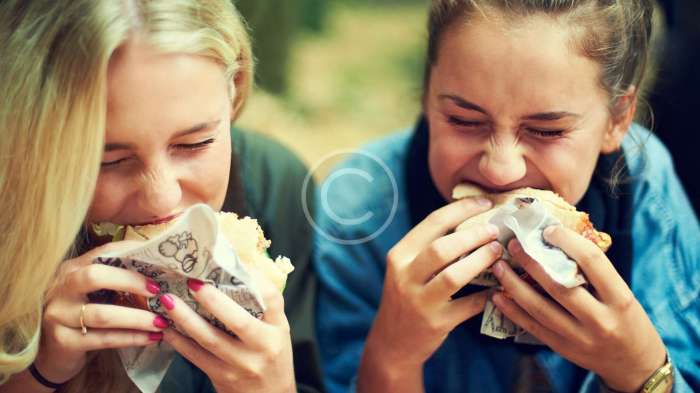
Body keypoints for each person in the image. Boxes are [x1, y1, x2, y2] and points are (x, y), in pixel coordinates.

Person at [314, 1, 700, 392]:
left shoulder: (645, 186)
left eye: (547, 131)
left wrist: (643, 373)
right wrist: (392, 357)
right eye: (464, 121)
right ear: (427, 96)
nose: (501, 169)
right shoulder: (362, 206)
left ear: (617, 120)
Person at [0, 1, 323, 392]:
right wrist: (35, 375)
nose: (161, 198)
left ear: (234, 92)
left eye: (195, 143)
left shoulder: (272, 186)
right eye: (109, 160)